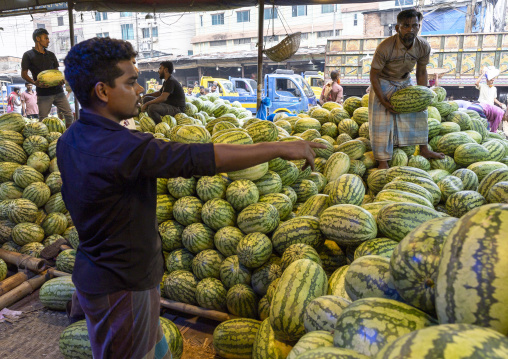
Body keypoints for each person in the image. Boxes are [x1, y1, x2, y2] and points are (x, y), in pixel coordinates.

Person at [58, 37, 325, 359]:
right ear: (102, 91)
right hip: (123, 282)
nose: (141, 90)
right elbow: (200, 157)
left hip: (98, 272)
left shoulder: (71, 138)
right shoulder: (124, 148)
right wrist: (281, 146)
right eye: (131, 82)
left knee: (144, 350)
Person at [368, 9, 444, 169]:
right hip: (383, 82)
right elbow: (373, 75)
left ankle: (424, 149)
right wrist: (382, 100)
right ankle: (383, 161)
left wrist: (423, 96)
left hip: (404, 81)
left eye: (414, 25)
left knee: (421, 114)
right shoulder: (385, 47)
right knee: (381, 122)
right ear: (397, 28)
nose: (411, 29)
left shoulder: (423, 46)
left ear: (419, 27)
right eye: (406, 26)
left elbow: (421, 71)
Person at [21, 28, 73, 126]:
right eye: (46, 38)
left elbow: (56, 73)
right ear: (38, 39)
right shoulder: (28, 55)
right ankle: (44, 140)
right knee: (43, 120)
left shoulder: (51, 55)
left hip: (58, 92)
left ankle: (68, 135)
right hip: (43, 93)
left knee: (69, 114)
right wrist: (34, 82)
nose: (48, 41)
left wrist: (60, 81)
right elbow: (23, 74)